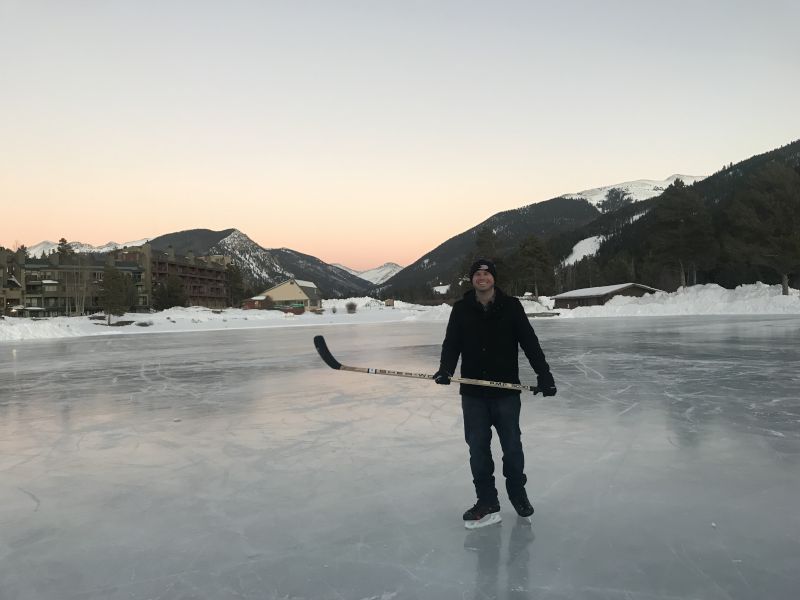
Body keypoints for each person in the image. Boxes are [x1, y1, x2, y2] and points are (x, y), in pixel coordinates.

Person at [434, 258, 556, 529]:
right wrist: (445, 368)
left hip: (506, 392)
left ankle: (517, 491)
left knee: (512, 446)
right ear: (471, 279)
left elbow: (529, 342)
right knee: (478, 449)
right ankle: (487, 500)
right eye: (477, 274)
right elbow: (452, 343)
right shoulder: (461, 309)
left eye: (487, 274)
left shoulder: (511, 306)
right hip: (473, 393)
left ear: (494, 279)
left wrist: (544, 374)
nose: (482, 278)